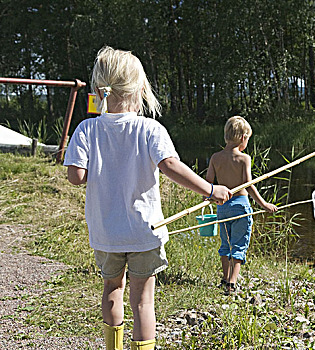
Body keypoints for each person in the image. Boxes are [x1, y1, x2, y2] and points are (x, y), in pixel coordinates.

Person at [64, 46, 231, 350]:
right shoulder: (150, 129)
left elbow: (75, 177)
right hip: (144, 232)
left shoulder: (87, 129)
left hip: (106, 235)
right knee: (143, 299)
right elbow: (171, 167)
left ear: (100, 89)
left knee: (112, 289)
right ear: (140, 88)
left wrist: (99, 172)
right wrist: (211, 190)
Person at [205, 116, 278, 295]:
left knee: (226, 243)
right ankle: (232, 283)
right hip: (240, 207)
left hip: (222, 207)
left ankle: (224, 279)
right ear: (244, 138)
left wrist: (209, 199)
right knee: (239, 245)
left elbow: (208, 184)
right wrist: (264, 204)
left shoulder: (215, 157)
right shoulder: (244, 159)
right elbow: (248, 185)